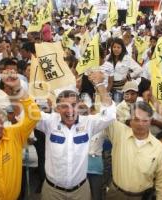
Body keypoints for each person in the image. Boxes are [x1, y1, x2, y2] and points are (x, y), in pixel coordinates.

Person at [36, 71, 116, 200]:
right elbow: (24, 114)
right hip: (52, 192)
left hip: (80, 191)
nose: (70, 110)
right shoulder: (49, 122)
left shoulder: (88, 123)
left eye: (73, 105)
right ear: (57, 108)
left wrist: (100, 85)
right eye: (64, 106)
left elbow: (110, 115)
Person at [105, 101, 162, 200]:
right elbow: (105, 112)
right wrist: (100, 85)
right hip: (115, 194)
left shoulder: (159, 148)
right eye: (136, 119)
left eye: (145, 120)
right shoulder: (118, 132)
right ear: (130, 120)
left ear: (151, 121)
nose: (140, 124)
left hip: (141, 197)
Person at [100, 38, 142, 103]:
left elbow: (139, 69)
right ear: (111, 48)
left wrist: (129, 76)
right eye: (114, 47)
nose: (116, 49)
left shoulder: (127, 58)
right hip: (108, 88)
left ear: (122, 48)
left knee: (117, 107)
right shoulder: (107, 58)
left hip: (120, 89)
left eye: (118, 47)